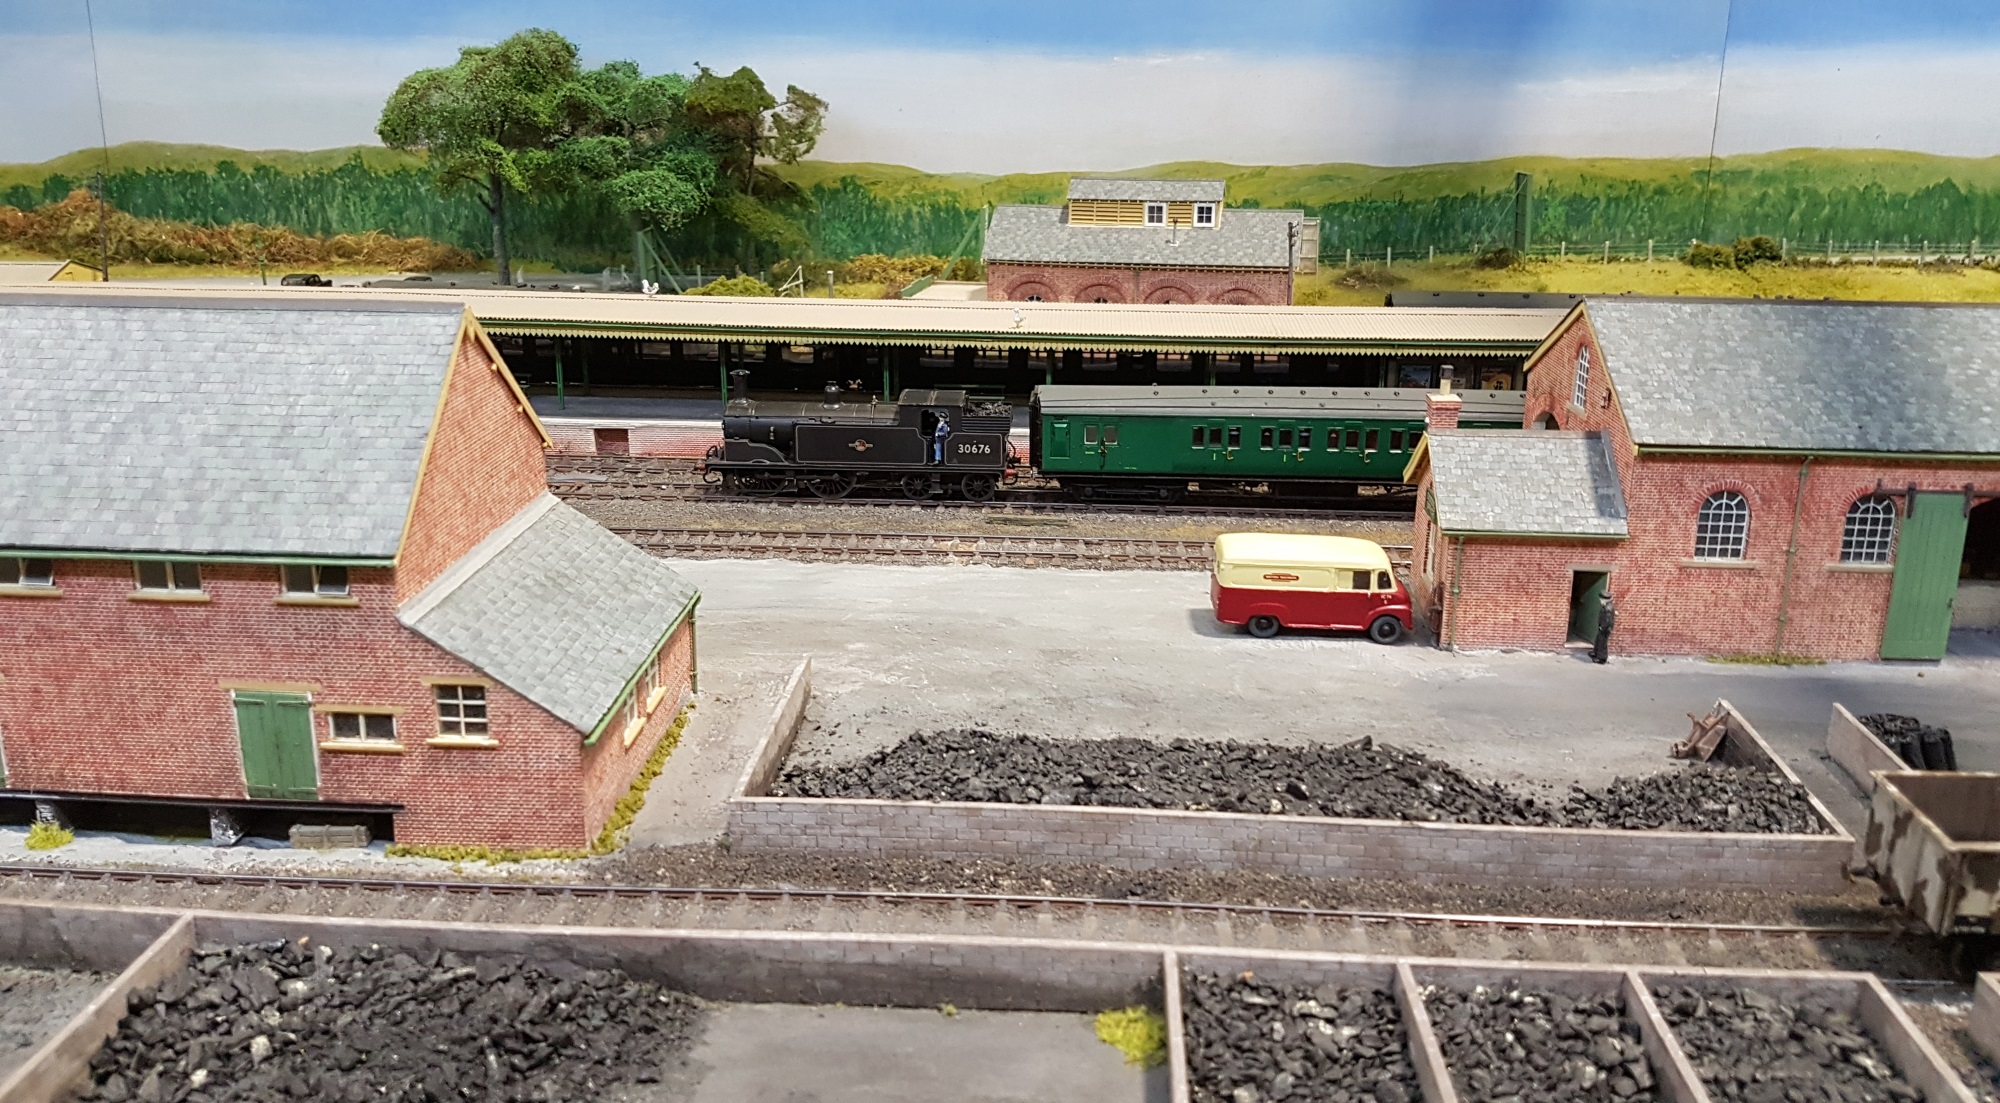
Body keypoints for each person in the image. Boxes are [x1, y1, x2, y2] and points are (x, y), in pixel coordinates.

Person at [1591, 592, 1617, 664]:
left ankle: (1601, 658)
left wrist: (1602, 627)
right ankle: (1596, 653)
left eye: (1601, 599)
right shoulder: (1607, 606)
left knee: (1602, 643)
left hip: (1605, 629)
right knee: (1599, 640)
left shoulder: (1608, 608)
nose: (1600, 601)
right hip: (1604, 627)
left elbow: (1608, 620)